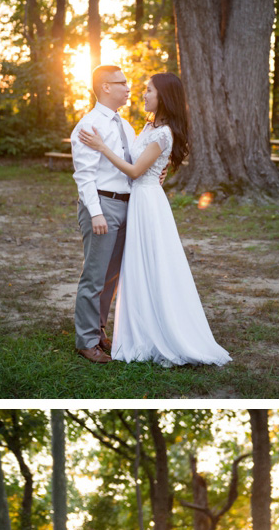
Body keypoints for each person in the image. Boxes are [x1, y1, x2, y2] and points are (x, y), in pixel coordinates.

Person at [76, 72, 231, 366]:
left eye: (148, 90)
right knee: (126, 269)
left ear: (163, 96)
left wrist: (104, 148)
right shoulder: (145, 126)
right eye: (141, 88)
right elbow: (135, 162)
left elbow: (136, 170)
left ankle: (146, 329)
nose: (141, 93)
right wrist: (156, 170)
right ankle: (105, 334)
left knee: (146, 265)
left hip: (145, 203)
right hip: (131, 201)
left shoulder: (162, 131)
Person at [70, 64, 136, 363]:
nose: (128, 86)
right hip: (102, 206)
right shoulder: (89, 125)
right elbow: (84, 176)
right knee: (94, 276)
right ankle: (85, 341)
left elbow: (132, 166)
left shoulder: (126, 125)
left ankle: (98, 330)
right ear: (105, 87)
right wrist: (95, 213)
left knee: (111, 276)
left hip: (127, 204)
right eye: (122, 82)